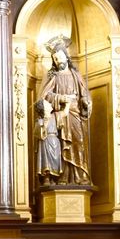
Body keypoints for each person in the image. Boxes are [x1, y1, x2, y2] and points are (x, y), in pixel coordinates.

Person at [39, 35, 92, 185]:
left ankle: (80, 176)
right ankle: (63, 177)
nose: (58, 60)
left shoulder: (76, 76)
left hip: (76, 115)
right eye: (55, 58)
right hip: (61, 116)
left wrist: (86, 101)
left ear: (66, 56)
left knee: (79, 143)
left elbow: (84, 94)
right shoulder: (54, 77)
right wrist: (61, 98)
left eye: (60, 57)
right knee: (62, 145)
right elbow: (45, 96)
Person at [34, 99, 62, 185]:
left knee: (55, 160)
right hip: (45, 141)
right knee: (46, 160)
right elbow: (39, 133)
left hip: (55, 141)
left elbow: (64, 113)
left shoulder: (54, 116)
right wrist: (45, 122)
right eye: (48, 104)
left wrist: (67, 101)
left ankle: (53, 178)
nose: (50, 104)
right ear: (44, 108)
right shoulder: (40, 120)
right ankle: (47, 177)